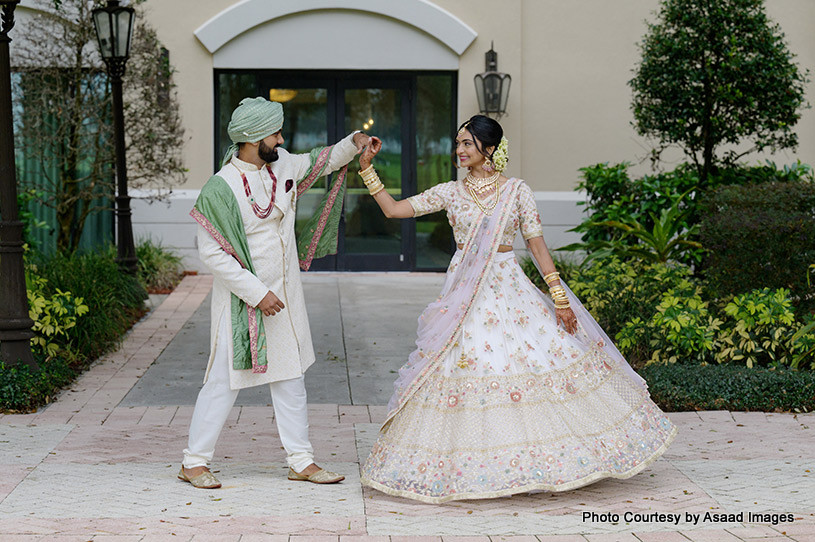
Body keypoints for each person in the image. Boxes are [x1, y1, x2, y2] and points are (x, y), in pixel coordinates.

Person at [358, 115, 677, 503]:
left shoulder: (517, 191)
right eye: (457, 143)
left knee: (533, 361)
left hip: (509, 289)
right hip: (464, 294)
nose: (459, 151)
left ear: (489, 149)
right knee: (463, 364)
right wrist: (367, 170)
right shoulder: (450, 192)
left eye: (467, 144)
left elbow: (537, 246)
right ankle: (472, 464)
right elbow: (394, 210)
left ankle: (547, 459)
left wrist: (559, 296)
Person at [180, 97, 372, 489]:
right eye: (275, 133)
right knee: (223, 381)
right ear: (251, 138)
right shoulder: (222, 187)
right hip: (242, 302)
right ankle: (194, 462)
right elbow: (211, 254)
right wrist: (257, 293)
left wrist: (354, 141)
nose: (282, 139)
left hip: (284, 298)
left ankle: (300, 460)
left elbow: (323, 160)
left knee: (290, 376)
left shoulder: (282, 164)